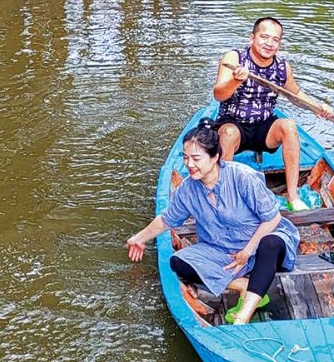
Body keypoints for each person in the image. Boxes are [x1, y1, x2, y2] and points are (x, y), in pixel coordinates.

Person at [126, 121, 299, 325]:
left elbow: (273, 218)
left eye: (196, 158)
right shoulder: (187, 190)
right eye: (185, 158)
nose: (189, 164)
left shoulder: (242, 177)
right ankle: (245, 285)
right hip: (223, 250)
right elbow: (165, 220)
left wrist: (248, 250)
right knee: (178, 262)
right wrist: (139, 238)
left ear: (215, 157)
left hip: (261, 242)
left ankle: (243, 316)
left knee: (270, 244)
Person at [212, 16, 332, 212]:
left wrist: (318, 108)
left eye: (275, 40)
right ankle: (225, 196)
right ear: (252, 38)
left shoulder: (282, 67)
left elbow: (296, 95)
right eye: (264, 37)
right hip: (233, 125)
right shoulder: (234, 59)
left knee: (289, 125)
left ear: (279, 44)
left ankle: (292, 197)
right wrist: (236, 80)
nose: (269, 43)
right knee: (228, 133)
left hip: (264, 127)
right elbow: (218, 94)